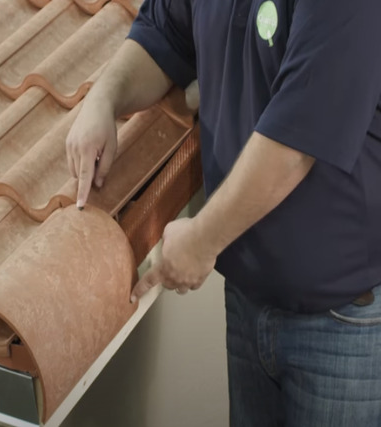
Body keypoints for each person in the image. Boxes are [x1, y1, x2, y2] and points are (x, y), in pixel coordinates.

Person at [65, 1, 381, 426]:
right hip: (247, 298)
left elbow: (299, 134)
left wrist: (202, 240)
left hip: (343, 325)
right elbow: (165, 34)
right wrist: (104, 98)